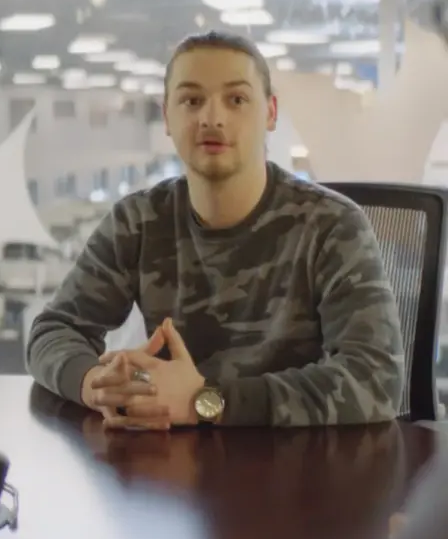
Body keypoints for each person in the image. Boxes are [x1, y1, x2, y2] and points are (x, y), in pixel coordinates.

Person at [25, 31, 403, 429]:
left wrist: (205, 401)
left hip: (301, 469)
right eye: (191, 100)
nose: (212, 118)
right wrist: (94, 383)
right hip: (174, 472)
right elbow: (54, 329)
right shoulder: (138, 222)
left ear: (271, 113)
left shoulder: (332, 226)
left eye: (236, 99)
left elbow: (376, 379)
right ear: (167, 116)